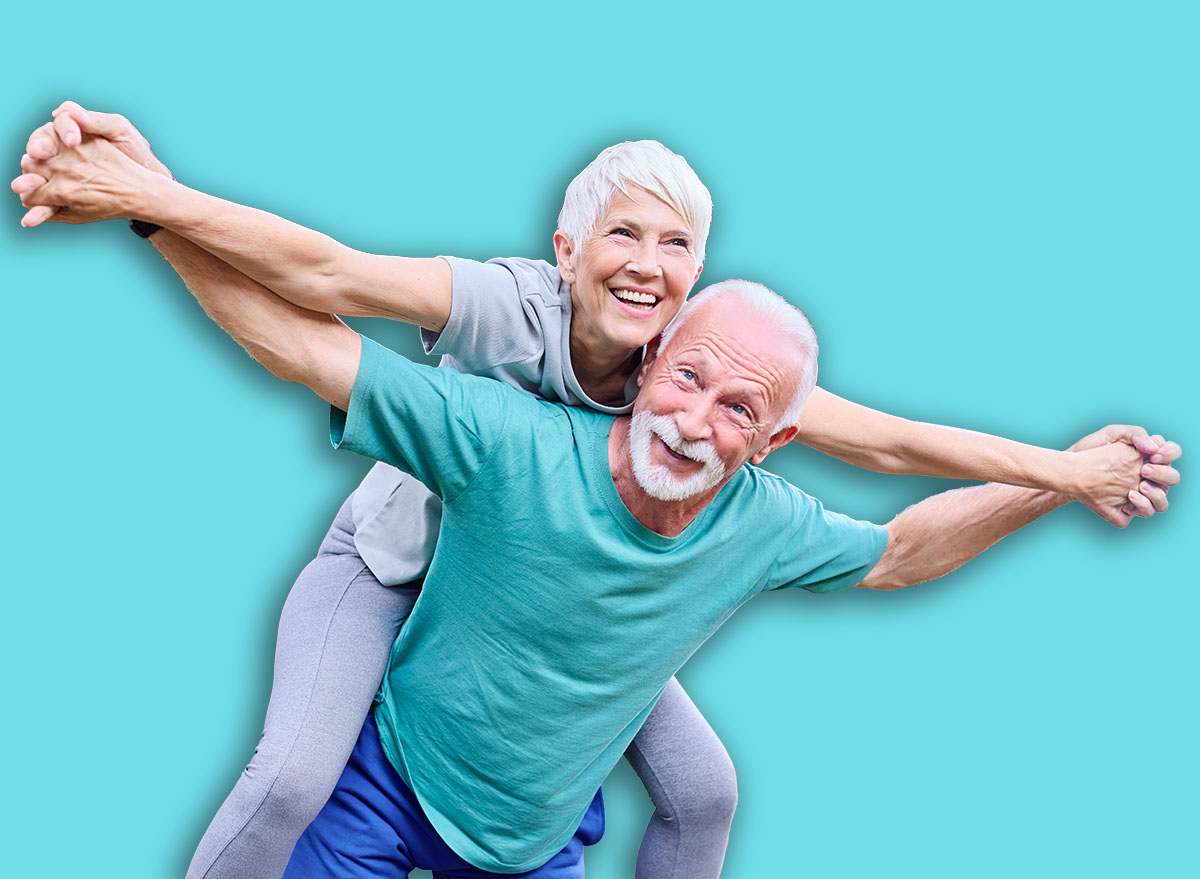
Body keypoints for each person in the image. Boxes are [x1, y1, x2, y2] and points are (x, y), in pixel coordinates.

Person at [11, 114, 1178, 878]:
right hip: (401, 565)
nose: (646, 263)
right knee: (293, 775)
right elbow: (324, 286)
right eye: (623, 232)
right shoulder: (504, 321)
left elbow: (891, 450)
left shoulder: (701, 366)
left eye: (675, 246)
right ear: (567, 248)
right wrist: (147, 197)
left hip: (559, 596)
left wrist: (1065, 474)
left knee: (705, 790)